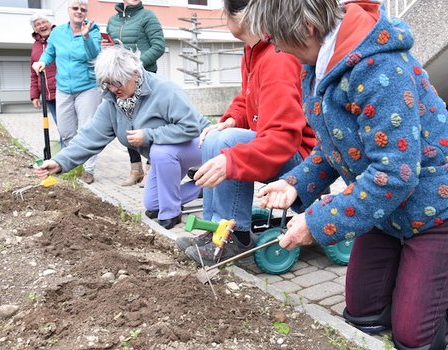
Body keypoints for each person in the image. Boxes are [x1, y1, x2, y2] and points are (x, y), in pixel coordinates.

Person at [247, 1, 448, 349]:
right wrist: (294, 185)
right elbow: (336, 145)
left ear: (306, 27)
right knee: (364, 316)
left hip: (442, 203)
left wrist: (318, 222)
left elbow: (394, 174)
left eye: (277, 37)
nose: (276, 47)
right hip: (386, 206)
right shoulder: (318, 65)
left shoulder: (379, 67)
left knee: (416, 337)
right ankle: (434, 272)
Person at [176, 0, 316, 264]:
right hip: (274, 145)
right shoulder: (254, 51)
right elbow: (248, 97)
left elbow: (283, 136)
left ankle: (234, 235)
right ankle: (214, 231)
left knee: (229, 143)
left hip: (298, 155)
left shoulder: (277, 57)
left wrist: (234, 157)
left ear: (239, 16)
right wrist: (232, 119)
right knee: (216, 136)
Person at [33, 46, 210, 230]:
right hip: (167, 154)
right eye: (108, 83)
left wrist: (148, 135)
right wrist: (59, 162)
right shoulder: (113, 103)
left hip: (202, 143)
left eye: (118, 82)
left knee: (160, 151)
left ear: (134, 73)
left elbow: (191, 127)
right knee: (153, 204)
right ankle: (207, 187)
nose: (113, 88)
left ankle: (171, 214)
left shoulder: (164, 90)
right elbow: (89, 137)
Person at [32, 0, 101, 184]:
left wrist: (86, 37)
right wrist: (42, 62)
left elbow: (94, 55)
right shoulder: (58, 33)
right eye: (75, 8)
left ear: (86, 12)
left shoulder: (92, 29)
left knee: (87, 129)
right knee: (66, 130)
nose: (79, 11)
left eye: (82, 9)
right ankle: (74, 162)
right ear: (68, 10)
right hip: (63, 88)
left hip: (87, 87)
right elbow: (50, 53)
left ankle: (89, 169)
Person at [105, 0, 166, 186]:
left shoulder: (148, 16)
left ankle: (151, 169)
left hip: (142, 78)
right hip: (120, 82)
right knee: (127, 125)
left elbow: (158, 46)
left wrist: (135, 67)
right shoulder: (112, 21)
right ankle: (135, 169)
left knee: (147, 124)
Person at [29, 12, 64, 148]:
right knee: (61, 126)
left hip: (63, 90)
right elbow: (33, 73)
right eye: (37, 24)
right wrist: (34, 95)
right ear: (35, 29)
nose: (42, 26)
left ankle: (75, 155)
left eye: (44, 22)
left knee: (67, 126)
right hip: (48, 95)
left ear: (50, 23)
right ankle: (67, 155)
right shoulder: (35, 46)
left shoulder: (61, 37)